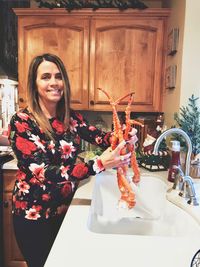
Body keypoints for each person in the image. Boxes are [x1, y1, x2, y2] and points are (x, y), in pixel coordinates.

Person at [8, 53, 137, 267]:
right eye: (46, 77)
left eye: (58, 76)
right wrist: (99, 164)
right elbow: (45, 172)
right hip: (34, 215)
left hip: (65, 211)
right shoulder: (22, 122)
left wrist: (123, 135)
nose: (54, 82)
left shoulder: (71, 118)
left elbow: (99, 136)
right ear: (34, 83)